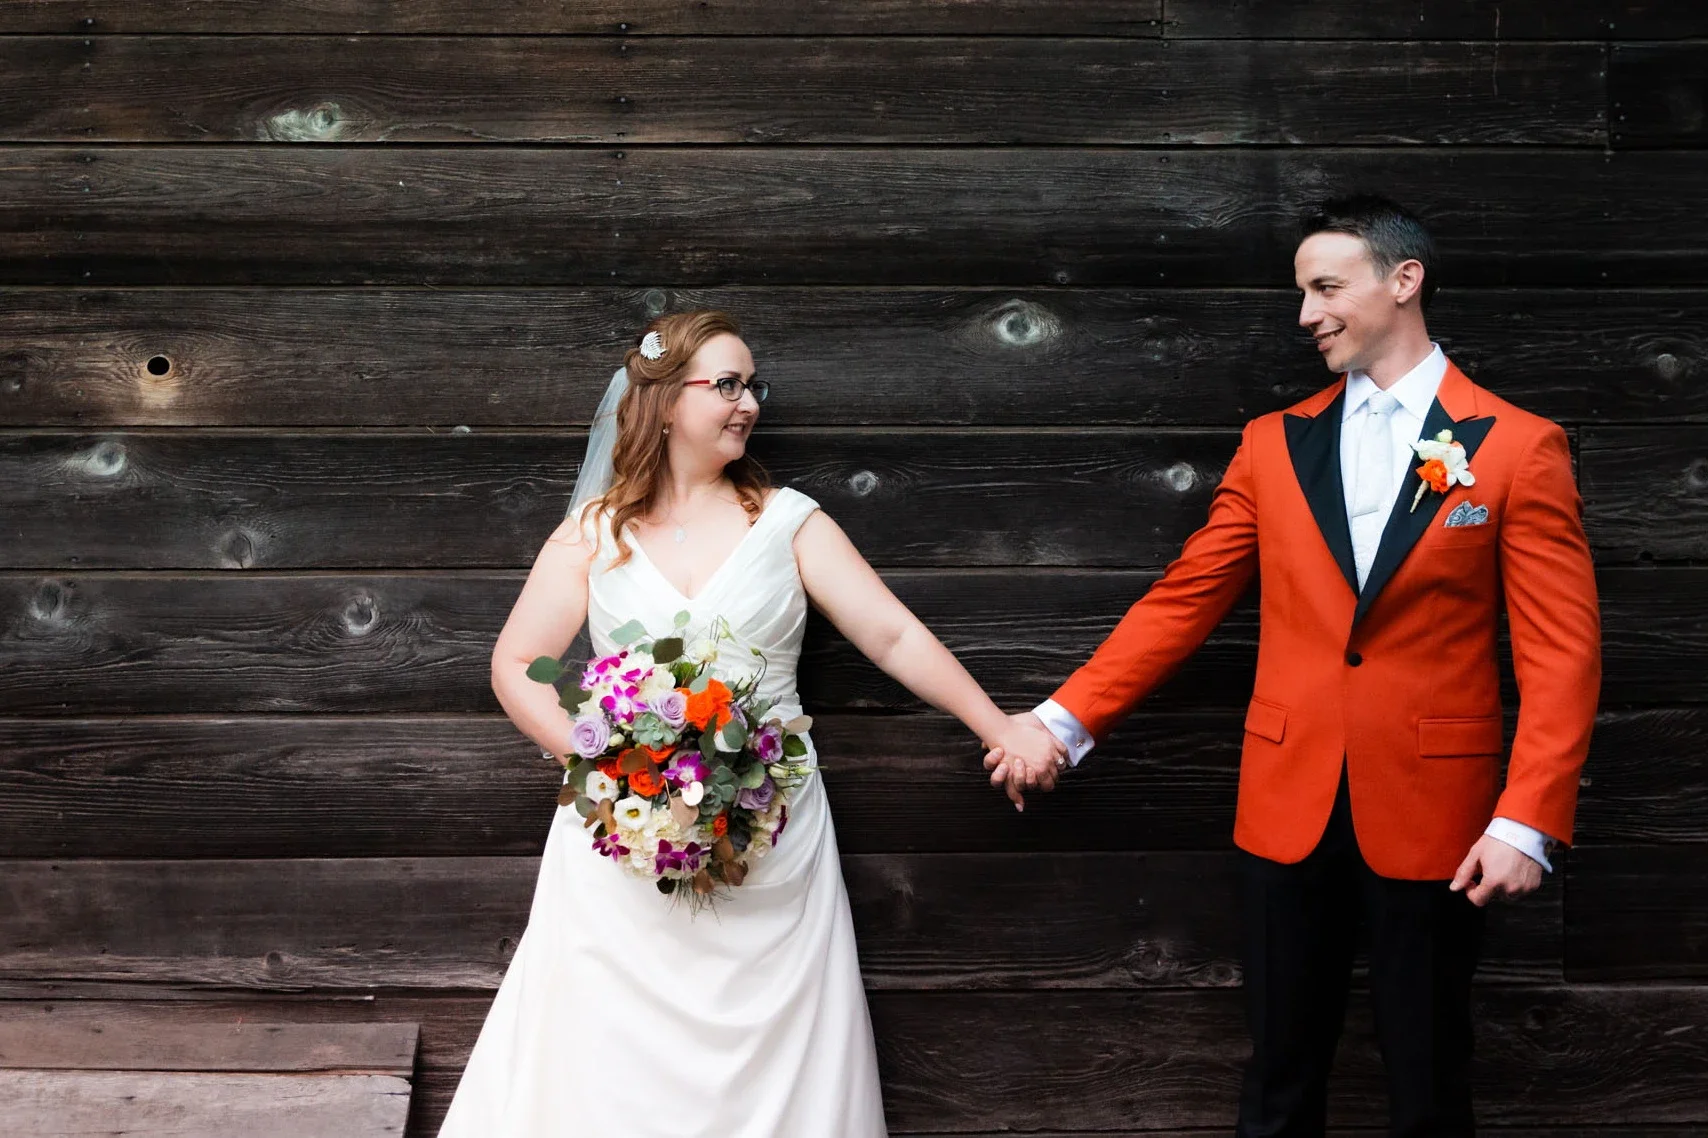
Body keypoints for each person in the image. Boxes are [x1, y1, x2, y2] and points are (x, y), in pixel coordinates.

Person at [989, 195, 1600, 1136]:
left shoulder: (1518, 446)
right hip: (1287, 804)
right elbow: (1186, 598)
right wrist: (1062, 722)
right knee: (1277, 1075)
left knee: (1430, 1077)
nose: (1305, 313)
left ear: (1404, 281)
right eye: (1301, 292)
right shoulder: (1273, 444)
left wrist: (1528, 820)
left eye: (1325, 287)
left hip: (1440, 812)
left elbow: (1561, 650)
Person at [439, 309, 1064, 1136]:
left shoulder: (788, 521)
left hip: (772, 836)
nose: (749, 403)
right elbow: (519, 666)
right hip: (623, 841)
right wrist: (607, 763)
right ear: (664, 402)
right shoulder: (595, 535)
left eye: (751, 385)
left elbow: (893, 633)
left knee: (777, 1069)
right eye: (727, 384)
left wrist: (998, 725)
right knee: (607, 1054)